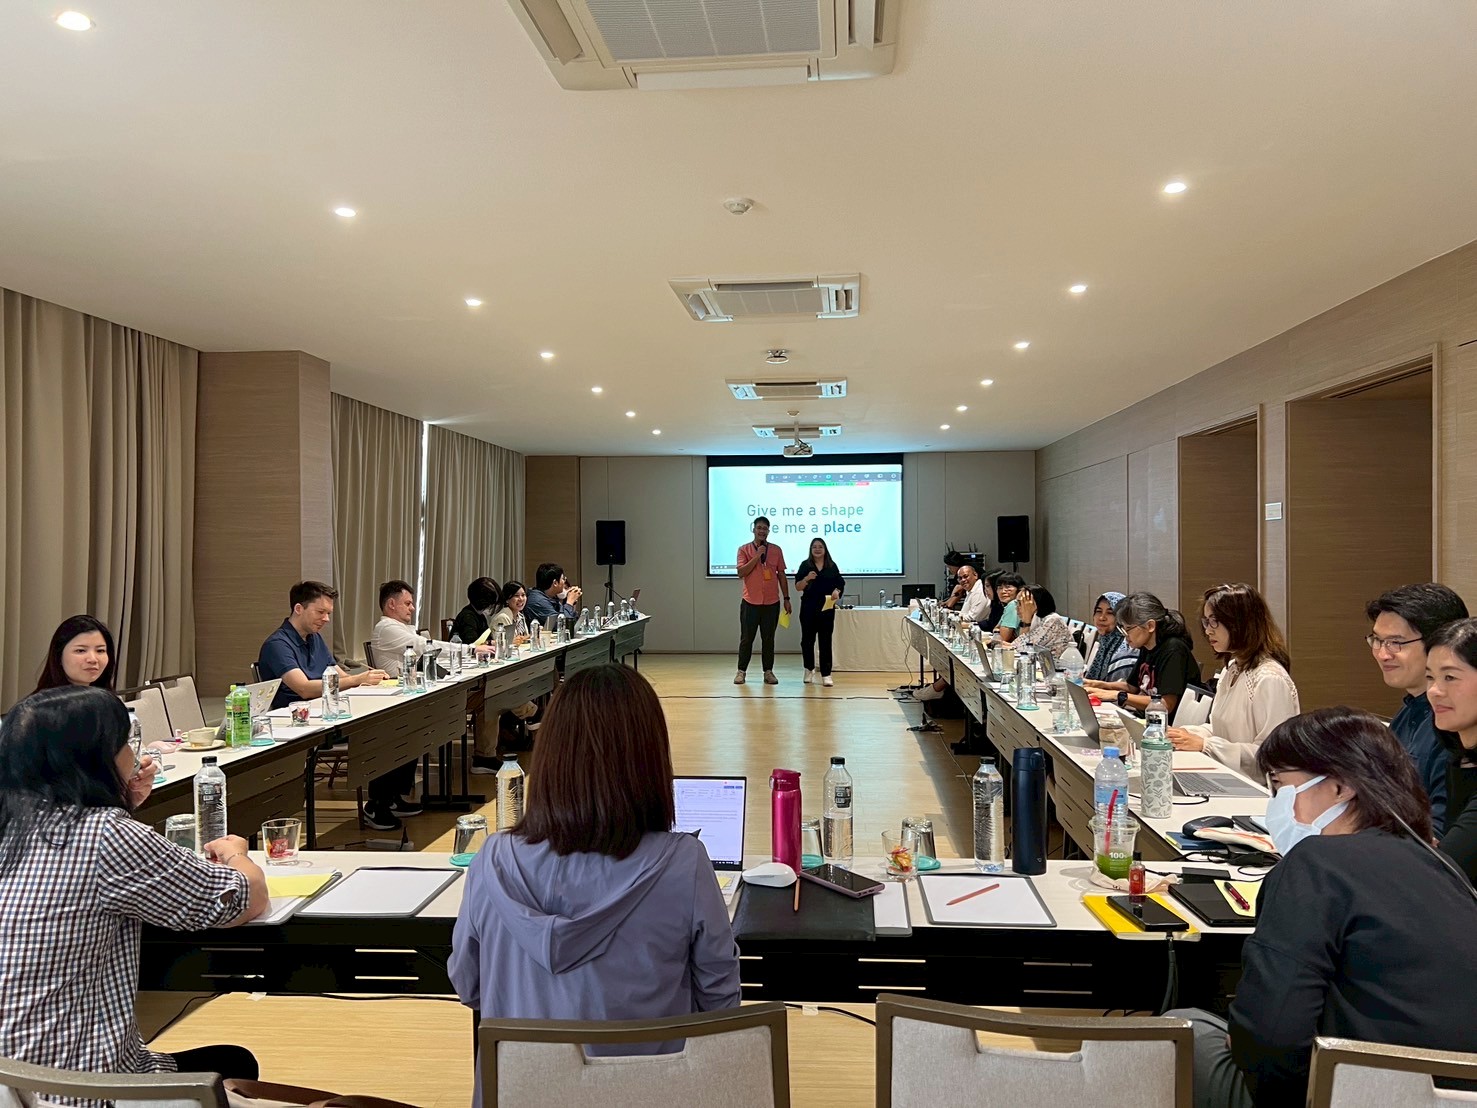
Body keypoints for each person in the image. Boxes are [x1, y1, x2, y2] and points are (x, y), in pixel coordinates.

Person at [449, 664, 740, 1108]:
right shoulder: (685, 864)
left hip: (521, 1096)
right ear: (650, 760)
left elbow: (469, 987)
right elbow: (720, 1006)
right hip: (651, 1096)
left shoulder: (492, 861)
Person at [1167, 707, 1477, 1108]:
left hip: (1353, 1091)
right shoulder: (1443, 867)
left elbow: (1269, 1038)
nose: (1276, 804)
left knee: (1184, 1031)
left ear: (1341, 787)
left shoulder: (1316, 864)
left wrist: (1245, 1039)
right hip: (1454, 1092)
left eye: (1281, 785)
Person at [0, 686, 269, 1082]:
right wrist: (237, 855)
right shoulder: (106, 834)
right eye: (126, 743)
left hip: (9, 1080)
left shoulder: (14, 823)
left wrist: (121, 802)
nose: (135, 754)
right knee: (234, 1063)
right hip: (73, 1086)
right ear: (96, 757)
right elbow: (243, 899)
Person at [256, 581, 420, 832]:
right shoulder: (278, 645)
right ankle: (377, 805)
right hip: (299, 724)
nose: (326, 619)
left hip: (328, 713)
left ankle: (391, 798)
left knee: (404, 722)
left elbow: (338, 674)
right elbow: (303, 688)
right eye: (320, 612)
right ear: (299, 608)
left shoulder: (315, 639)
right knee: (383, 731)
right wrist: (355, 680)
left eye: (329, 613)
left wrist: (367, 680)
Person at [1166, 583, 1299, 778]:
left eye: (1214, 622)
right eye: (1206, 622)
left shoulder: (1270, 678)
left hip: (1257, 787)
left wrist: (1206, 745)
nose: (1208, 631)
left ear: (1240, 623)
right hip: (1227, 775)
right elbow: (1221, 730)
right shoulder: (1233, 668)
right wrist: (1183, 734)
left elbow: (1272, 755)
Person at [1366, 583, 1469, 835]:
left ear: (1441, 643)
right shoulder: (1408, 711)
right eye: (1377, 640)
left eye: (1396, 642)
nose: (1382, 654)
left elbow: (1441, 830)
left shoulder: (1453, 724)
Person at [1083, 592, 1201, 716]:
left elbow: (1166, 704)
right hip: (1141, 717)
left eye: (1128, 629)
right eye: (1122, 629)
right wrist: (1096, 684)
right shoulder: (1146, 645)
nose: (1125, 635)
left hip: (1161, 724)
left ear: (1150, 626)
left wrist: (1118, 695)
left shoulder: (1173, 650)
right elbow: (1131, 687)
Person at [1426, 619, 1477, 882]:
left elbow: (1445, 876)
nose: (1434, 691)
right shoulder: (1460, 758)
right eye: (1430, 677)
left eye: (1450, 677)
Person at [734, 515, 790, 686]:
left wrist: (786, 598)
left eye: (765, 528)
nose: (762, 531)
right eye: (759, 528)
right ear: (754, 530)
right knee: (747, 639)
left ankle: (768, 672)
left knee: (768, 639)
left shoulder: (776, 550)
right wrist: (757, 556)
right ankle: (741, 671)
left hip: (771, 603)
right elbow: (741, 572)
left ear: (768, 531)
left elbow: (781, 575)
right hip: (750, 602)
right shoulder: (744, 549)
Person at [370, 579, 455, 678]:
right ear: (391, 604)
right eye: (407, 603)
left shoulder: (398, 627)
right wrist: (465, 650)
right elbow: (423, 646)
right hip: (399, 685)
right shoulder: (386, 628)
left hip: (413, 682)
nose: (412, 608)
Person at [795, 538, 846, 687]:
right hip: (808, 608)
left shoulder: (831, 565)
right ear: (811, 550)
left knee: (825, 641)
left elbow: (840, 583)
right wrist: (807, 578)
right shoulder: (805, 565)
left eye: (820, 547)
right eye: (814, 547)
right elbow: (798, 587)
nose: (817, 549)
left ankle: (826, 674)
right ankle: (808, 669)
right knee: (807, 641)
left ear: (825, 549)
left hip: (826, 608)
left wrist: (837, 591)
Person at [32, 614, 118, 694]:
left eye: (100, 651)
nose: (93, 659)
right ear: (58, 656)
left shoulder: (111, 700)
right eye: (80, 651)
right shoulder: (41, 704)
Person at [1082, 592, 1137, 684]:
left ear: (1122, 618)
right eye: (1098, 611)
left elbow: (1117, 689)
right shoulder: (1105, 643)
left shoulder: (1125, 651)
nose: (1102, 618)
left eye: (1110, 613)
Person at [1015, 584, 1073, 659]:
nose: (1017, 608)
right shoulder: (1036, 620)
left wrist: (1026, 619)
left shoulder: (1053, 621)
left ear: (1036, 604)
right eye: (1017, 603)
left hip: (1057, 665)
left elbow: (1022, 649)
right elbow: (1017, 646)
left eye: (1021, 603)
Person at [450, 576, 501, 646]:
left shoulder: (480, 616)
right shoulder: (467, 617)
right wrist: (490, 643)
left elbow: (488, 638)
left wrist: (490, 642)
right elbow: (472, 644)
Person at [988, 573, 1026, 644]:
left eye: (1008, 587)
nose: (1003, 591)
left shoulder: (1014, 604)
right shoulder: (1009, 605)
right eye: (1000, 588)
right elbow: (996, 630)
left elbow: (1002, 637)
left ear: (1019, 589)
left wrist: (998, 630)